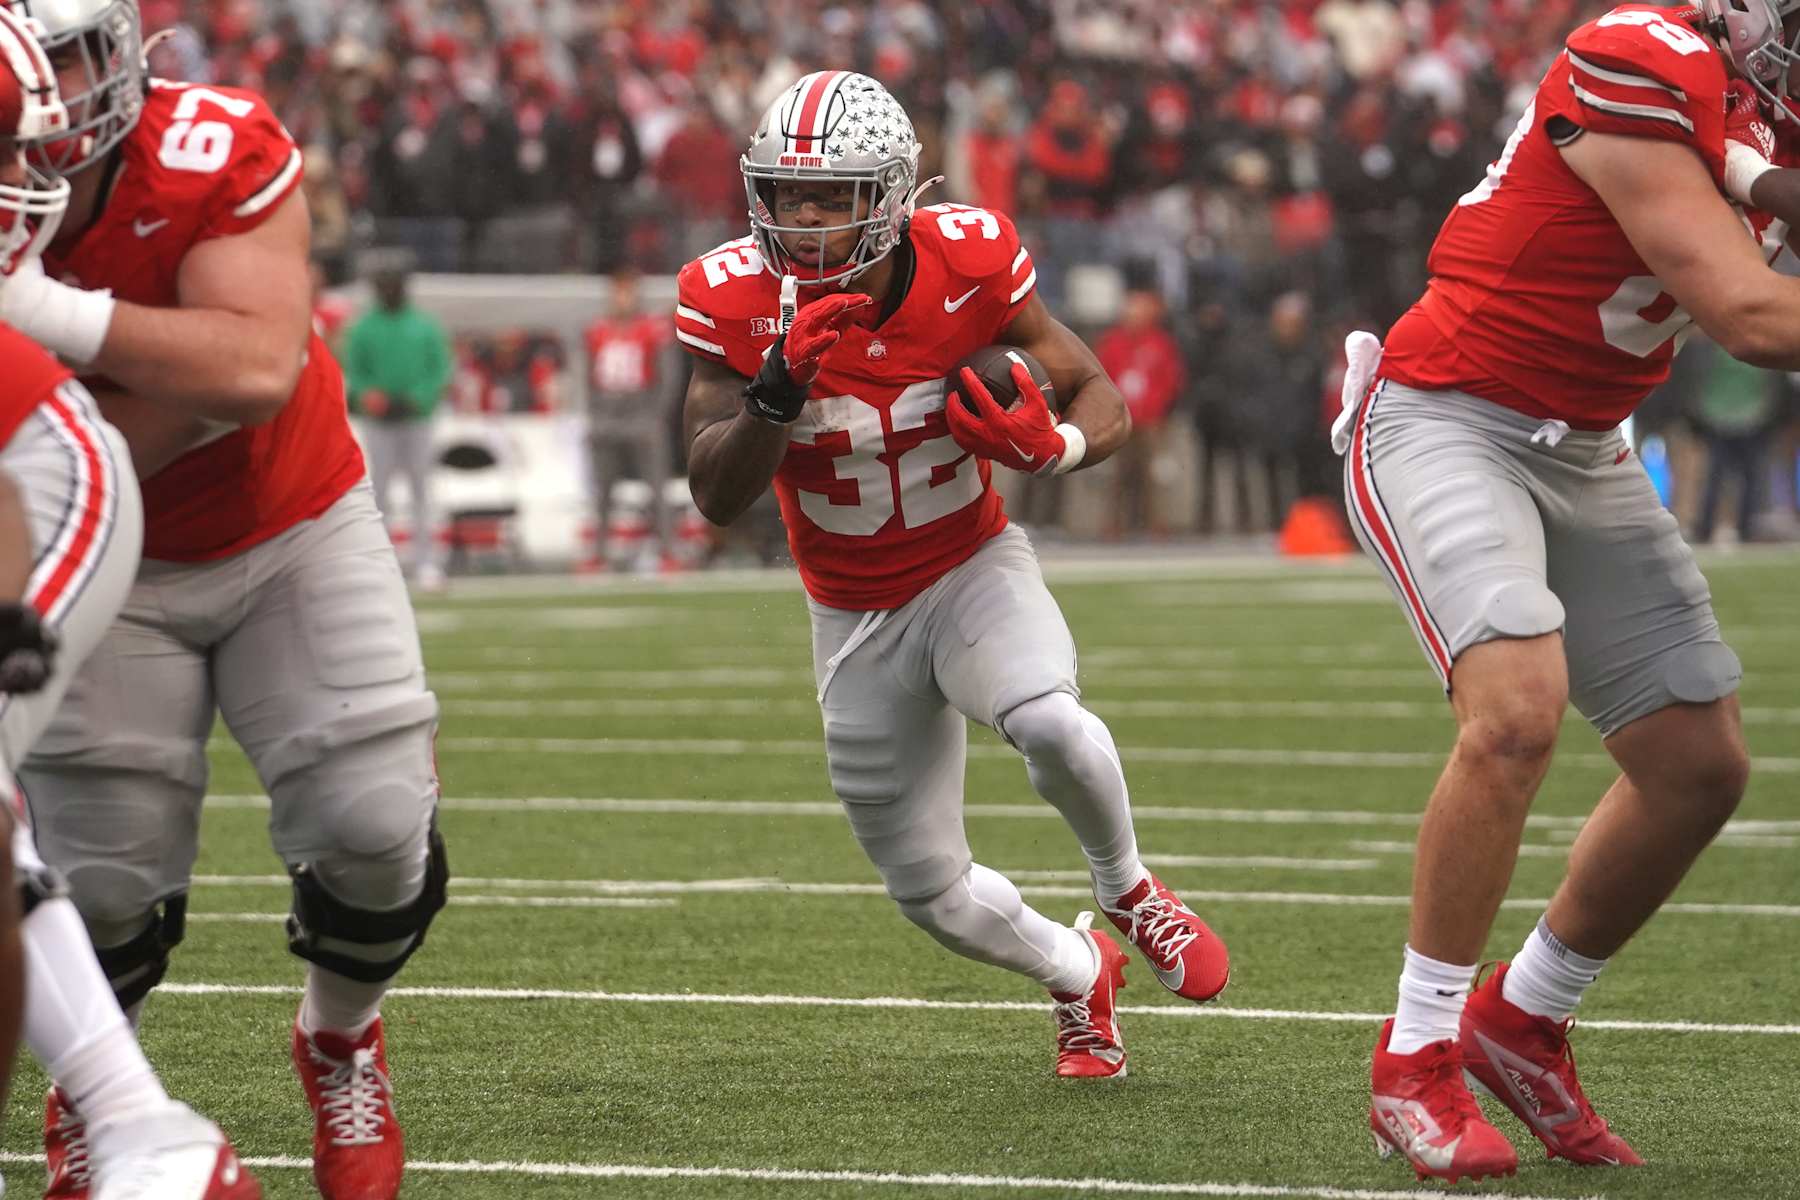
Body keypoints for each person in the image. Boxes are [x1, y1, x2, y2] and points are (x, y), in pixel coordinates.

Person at [674, 70, 1230, 1080]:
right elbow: (713, 496)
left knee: (1050, 719)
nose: (799, 218)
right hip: (850, 615)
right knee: (930, 893)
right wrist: (775, 395)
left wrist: (1050, 448)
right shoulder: (732, 300)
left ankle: (1130, 889)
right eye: (784, 193)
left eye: (828, 195)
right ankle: (1075, 970)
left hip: (970, 563)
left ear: (890, 197)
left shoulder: (969, 263)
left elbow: (1098, 390)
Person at [1336, 0, 1800, 1182]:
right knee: (1513, 713)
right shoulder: (1639, 56)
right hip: (1448, 412)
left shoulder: (1754, 111)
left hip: (1585, 439)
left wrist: (1759, 173)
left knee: (1700, 764)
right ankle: (1417, 1055)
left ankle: (1523, 1014)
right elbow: (1747, 312)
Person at [0, 3, 447, 1197]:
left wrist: (43, 319)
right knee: (99, 884)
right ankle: (102, 1093)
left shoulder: (209, 144)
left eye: (78, 50)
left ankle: (341, 1036)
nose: (53, 90)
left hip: (288, 520)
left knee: (373, 821)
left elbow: (253, 370)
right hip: (100, 561)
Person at [0, 11, 258, 1195]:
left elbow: (15, 439)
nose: (24, 182)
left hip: (54, 482)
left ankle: (136, 1124)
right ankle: (146, 1129)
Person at [344, 253, 453, 590]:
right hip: (379, 420)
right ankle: (381, 563)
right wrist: (368, 394)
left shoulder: (424, 325)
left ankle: (426, 563)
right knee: (380, 493)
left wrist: (421, 395)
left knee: (422, 490)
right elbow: (353, 371)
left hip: (417, 417)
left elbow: (441, 368)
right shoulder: (363, 328)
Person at [584, 266, 675, 567]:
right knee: (602, 491)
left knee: (656, 487)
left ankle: (667, 551)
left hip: (641, 414)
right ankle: (598, 553)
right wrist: (593, 414)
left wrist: (655, 415)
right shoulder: (597, 330)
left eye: (627, 291)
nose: (622, 298)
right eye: (618, 292)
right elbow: (587, 377)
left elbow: (667, 378)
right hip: (607, 416)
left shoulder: (652, 329)